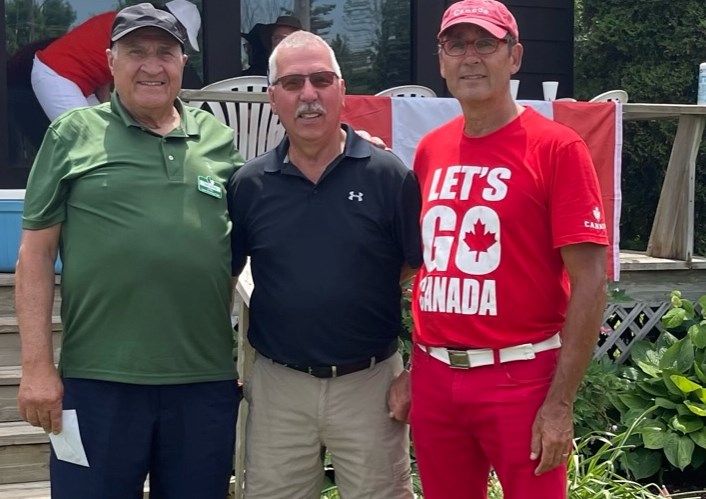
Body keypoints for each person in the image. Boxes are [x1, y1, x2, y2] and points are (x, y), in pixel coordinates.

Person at [15, 4, 243, 498]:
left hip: (202, 384)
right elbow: (35, 254)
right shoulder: (72, 134)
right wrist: (36, 366)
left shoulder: (220, 141)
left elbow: (258, 232)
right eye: (135, 52)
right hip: (98, 382)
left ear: (183, 62)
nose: (152, 65)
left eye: (165, 52)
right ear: (110, 62)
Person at [408, 1, 609, 498]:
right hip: (435, 375)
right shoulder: (430, 149)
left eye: (486, 44)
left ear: (514, 57)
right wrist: (407, 369)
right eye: (457, 45)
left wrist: (560, 404)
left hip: (520, 376)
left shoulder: (557, 148)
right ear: (441, 61)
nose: (470, 57)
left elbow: (590, 282)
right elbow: (419, 263)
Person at [227, 30, 421, 499]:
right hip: (280, 386)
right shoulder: (249, 185)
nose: (308, 95)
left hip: (371, 384)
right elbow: (225, 276)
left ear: (341, 89)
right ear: (273, 97)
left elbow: (420, 272)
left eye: (320, 80)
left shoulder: (388, 175)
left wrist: (419, 373)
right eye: (292, 84)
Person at [31, 0, 202, 121]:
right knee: (84, 136)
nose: (181, 41)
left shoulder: (126, 24)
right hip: (56, 73)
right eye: (183, 35)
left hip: (77, 81)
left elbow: (104, 72)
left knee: (102, 129)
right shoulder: (127, 29)